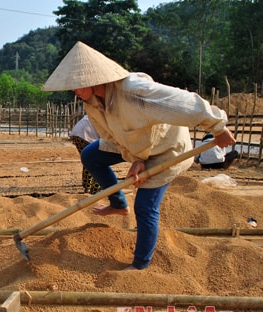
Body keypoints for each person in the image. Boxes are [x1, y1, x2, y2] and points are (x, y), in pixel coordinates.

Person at [43, 41, 236, 270]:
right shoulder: (92, 104)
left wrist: (217, 127)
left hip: (167, 148)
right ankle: (118, 204)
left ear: (93, 80)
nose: (74, 91)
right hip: (135, 145)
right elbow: (112, 137)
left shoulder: (133, 90)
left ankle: (140, 265)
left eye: (77, 85)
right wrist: (136, 160)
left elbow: (182, 101)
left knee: (145, 206)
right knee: (91, 155)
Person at [70, 115, 101, 194]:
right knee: (96, 161)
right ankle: (95, 189)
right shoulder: (107, 117)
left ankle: (87, 187)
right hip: (85, 135)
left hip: (77, 134)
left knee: (88, 160)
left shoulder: (96, 112)